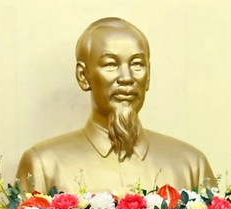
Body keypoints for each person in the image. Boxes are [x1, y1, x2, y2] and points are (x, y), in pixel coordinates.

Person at [16, 17, 213, 194]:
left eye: (137, 64)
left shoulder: (191, 165)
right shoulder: (44, 165)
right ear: (83, 76)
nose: (127, 78)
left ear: (149, 75)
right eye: (110, 64)